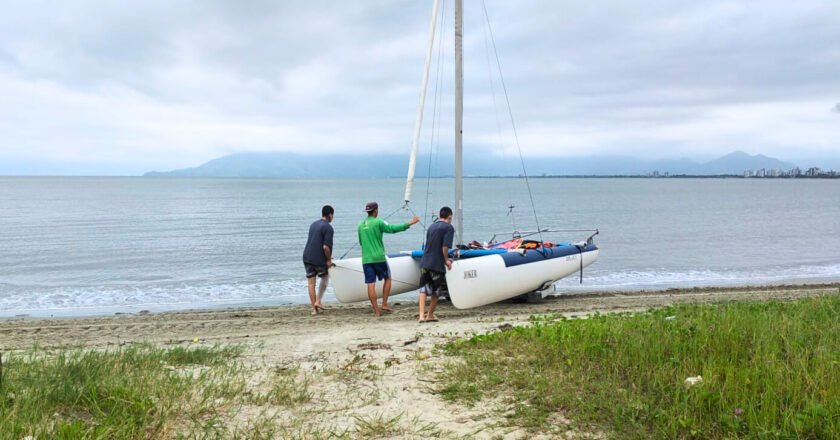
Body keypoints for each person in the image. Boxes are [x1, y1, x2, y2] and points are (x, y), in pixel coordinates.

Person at [358, 201, 419, 316]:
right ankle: (384, 304)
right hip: (379, 258)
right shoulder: (379, 222)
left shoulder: (360, 225)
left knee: (370, 284)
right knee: (388, 278)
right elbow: (392, 229)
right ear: (376, 210)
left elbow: (361, 242)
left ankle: (376, 311)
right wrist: (410, 223)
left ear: (367, 212)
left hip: (366, 259)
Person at [418, 206, 454, 323]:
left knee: (423, 290)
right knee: (436, 291)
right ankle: (430, 315)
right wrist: (446, 260)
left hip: (425, 262)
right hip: (436, 264)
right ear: (449, 217)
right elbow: (445, 247)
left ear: (440, 215)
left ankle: (421, 316)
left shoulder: (431, 227)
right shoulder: (448, 228)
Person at [303, 205, 334, 316]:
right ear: (330, 214)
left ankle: (314, 309)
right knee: (325, 278)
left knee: (311, 283)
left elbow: (315, 242)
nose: (333, 217)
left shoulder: (313, 224)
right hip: (318, 259)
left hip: (307, 256)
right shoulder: (328, 228)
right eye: (332, 215)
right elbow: (325, 247)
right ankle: (318, 300)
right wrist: (329, 260)